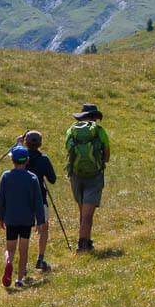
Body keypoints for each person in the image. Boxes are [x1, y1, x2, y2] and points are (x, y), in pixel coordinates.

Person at [0, 145, 46, 288]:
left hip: (10, 218)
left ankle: (9, 262)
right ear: (27, 160)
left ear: (12, 160)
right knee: (23, 249)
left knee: (10, 249)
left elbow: (0, 199)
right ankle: (19, 279)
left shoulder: (6, 176)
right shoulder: (32, 178)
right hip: (26, 219)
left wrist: (1, 216)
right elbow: (38, 201)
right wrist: (40, 221)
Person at [65, 103, 110, 253]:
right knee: (87, 215)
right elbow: (107, 157)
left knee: (82, 213)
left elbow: (68, 151)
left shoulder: (71, 130)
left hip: (76, 176)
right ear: (94, 117)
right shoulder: (99, 131)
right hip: (94, 176)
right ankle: (83, 246)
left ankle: (86, 240)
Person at [20, 130, 57, 270]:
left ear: (26, 143)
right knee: (44, 227)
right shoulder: (44, 159)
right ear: (40, 144)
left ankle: (23, 262)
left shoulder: (21, 157)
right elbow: (52, 179)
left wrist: (18, 143)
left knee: (24, 231)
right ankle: (40, 259)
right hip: (40, 198)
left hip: (23, 199)